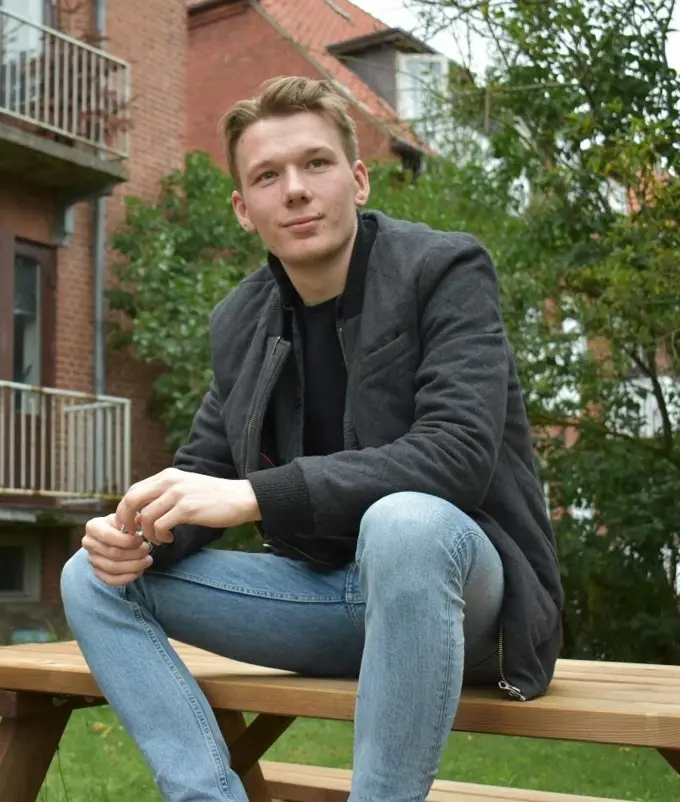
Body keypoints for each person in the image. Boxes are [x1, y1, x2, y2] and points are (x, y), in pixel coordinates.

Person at [61, 75, 563, 802]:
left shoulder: (442, 270)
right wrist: (135, 534)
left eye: (316, 164)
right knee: (92, 577)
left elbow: (456, 455)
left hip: (469, 604)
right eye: (268, 175)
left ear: (358, 180)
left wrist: (253, 497)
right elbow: (207, 471)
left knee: (406, 522)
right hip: (334, 605)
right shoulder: (241, 321)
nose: (295, 189)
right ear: (243, 208)